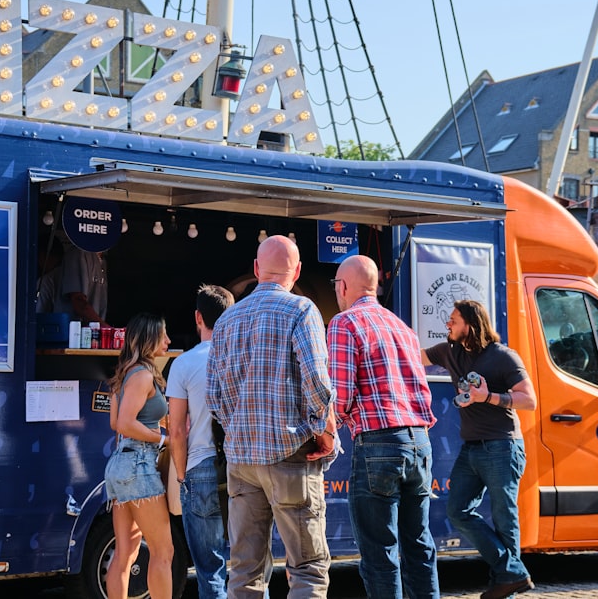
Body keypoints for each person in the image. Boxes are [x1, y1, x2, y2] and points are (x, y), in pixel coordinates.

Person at [206, 234, 336, 599]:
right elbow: (317, 382)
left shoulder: (227, 320)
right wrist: (322, 430)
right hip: (290, 455)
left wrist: (238, 428)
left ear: (256, 269)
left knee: (245, 571)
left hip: (242, 461)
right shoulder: (302, 310)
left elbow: (214, 394)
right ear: (296, 271)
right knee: (308, 570)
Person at [327, 254, 439, 599]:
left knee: (380, 553)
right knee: (420, 546)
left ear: (343, 286)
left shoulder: (344, 323)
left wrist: (343, 424)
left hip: (377, 440)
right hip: (419, 440)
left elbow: (340, 395)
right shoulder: (403, 328)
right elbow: (422, 391)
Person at [422, 300, 537, 599]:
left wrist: (488, 397)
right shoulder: (450, 351)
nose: (448, 324)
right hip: (471, 448)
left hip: (503, 446)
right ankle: (512, 573)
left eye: (454, 320)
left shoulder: (502, 357)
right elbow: (414, 357)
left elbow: (529, 400)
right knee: (457, 511)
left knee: (504, 518)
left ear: (470, 325)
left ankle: (506, 589)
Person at [166, 284, 235, 599]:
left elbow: (176, 430)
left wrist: (181, 476)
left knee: (210, 570)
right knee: (252, 566)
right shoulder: (244, 357)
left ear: (197, 317)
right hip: (245, 468)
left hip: (200, 468)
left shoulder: (183, 363)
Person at [104, 312, 174, 599]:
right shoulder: (143, 375)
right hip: (139, 465)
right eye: (163, 335)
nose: (169, 340)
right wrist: (162, 437)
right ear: (148, 340)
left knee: (125, 553)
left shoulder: (126, 373)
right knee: (163, 551)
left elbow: (114, 422)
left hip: (121, 465)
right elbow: (123, 424)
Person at [60, 243, 108, 324]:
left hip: (95, 332)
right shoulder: (78, 253)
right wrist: (106, 327)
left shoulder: (102, 261)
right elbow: (78, 302)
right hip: (75, 332)